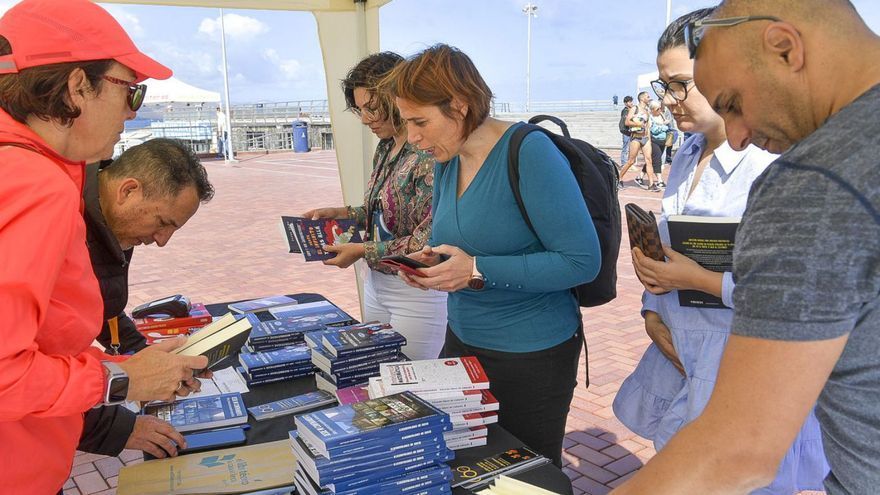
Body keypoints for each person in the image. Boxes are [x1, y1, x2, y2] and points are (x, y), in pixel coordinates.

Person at [612, 0, 880, 493]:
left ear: (785, 47)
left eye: (732, 102)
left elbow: (738, 448)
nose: (737, 137)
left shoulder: (811, 180)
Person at [0, 1, 209, 492]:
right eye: (130, 91)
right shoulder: (36, 184)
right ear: (77, 87)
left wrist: (127, 365)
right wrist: (124, 381)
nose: (132, 114)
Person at [388, 44, 601, 467]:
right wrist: (436, 263)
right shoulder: (449, 157)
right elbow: (468, 239)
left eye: (419, 122)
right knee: (464, 466)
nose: (412, 138)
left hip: (530, 355)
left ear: (460, 105)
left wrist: (476, 270)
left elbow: (581, 261)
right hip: (464, 341)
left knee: (525, 476)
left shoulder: (529, 152)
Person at [303, 52, 446, 360]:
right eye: (359, 110)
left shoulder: (429, 151)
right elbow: (387, 213)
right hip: (377, 283)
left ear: (397, 97)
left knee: (411, 382)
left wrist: (362, 250)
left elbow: (430, 239)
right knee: (377, 374)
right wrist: (346, 214)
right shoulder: (385, 147)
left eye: (371, 107)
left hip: (416, 289)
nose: (366, 119)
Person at [78, 138, 216, 459]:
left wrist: (144, 356)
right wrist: (119, 421)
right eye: (163, 223)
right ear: (128, 190)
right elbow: (30, 377)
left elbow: (101, 306)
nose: (162, 241)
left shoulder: (113, 221)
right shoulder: (63, 226)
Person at [619, 91, 659, 191]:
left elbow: (647, 126)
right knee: (631, 161)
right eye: (647, 97)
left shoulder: (646, 111)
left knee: (649, 160)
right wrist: (639, 125)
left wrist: (648, 138)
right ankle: (618, 179)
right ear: (642, 98)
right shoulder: (634, 108)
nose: (649, 98)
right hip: (636, 137)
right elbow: (627, 122)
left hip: (645, 138)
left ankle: (651, 184)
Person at [647, 100, 669, 189]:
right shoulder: (650, 118)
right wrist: (663, 126)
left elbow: (668, 126)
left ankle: (640, 176)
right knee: (658, 159)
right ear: (652, 109)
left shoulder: (661, 116)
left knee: (653, 159)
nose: (660, 110)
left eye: (660, 108)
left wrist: (663, 126)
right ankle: (659, 180)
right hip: (654, 140)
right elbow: (654, 130)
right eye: (657, 109)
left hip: (663, 140)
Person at [618, 95, 634, 165]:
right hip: (626, 131)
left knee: (631, 148)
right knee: (626, 148)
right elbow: (626, 121)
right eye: (629, 102)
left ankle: (629, 163)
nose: (631, 103)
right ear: (625, 103)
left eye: (631, 101)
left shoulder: (631, 110)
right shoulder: (625, 111)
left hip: (631, 131)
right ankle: (624, 163)